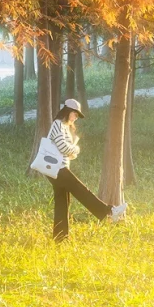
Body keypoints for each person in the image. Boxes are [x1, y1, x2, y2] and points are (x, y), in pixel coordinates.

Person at [37, 98, 128, 242]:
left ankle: (60, 238)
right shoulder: (57, 124)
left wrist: (72, 151)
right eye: (75, 114)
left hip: (61, 168)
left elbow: (69, 154)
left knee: (62, 202)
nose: (76, 117)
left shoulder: (66, 128)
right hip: (56, 169)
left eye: (77, 115)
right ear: (67, 112)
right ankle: (109, 211)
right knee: (81, 190)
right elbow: (64, 148)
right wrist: (76, 149)